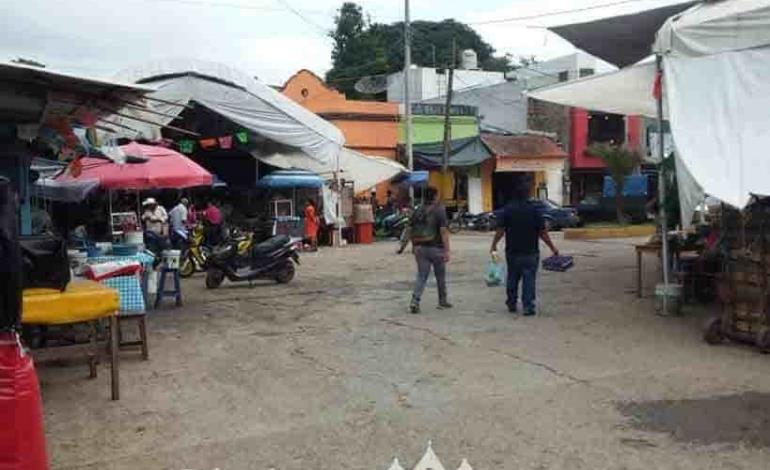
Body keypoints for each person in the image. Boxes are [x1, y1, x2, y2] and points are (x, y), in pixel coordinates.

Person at [490, 184, 559, 316]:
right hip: (531, 252)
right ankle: (528, 306)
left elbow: (500, 230)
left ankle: (511, 303)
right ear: (528, 194)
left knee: (512, 277)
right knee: (529, 279)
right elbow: (543, 232)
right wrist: (552, 247)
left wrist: (494, 245)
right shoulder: (534, 211)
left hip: (512, 251)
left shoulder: (507, 210)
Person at [408, 186, 451, 314]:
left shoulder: (417, 210)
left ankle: (415, 300)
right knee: (440, 276)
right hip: (436, 248)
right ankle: (442, 301)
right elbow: (443, 231)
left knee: (421, 276)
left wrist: (413, 246)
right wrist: (447, 250)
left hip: (420, 248)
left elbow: (410, 229)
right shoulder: (439, 210)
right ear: (435, 196)